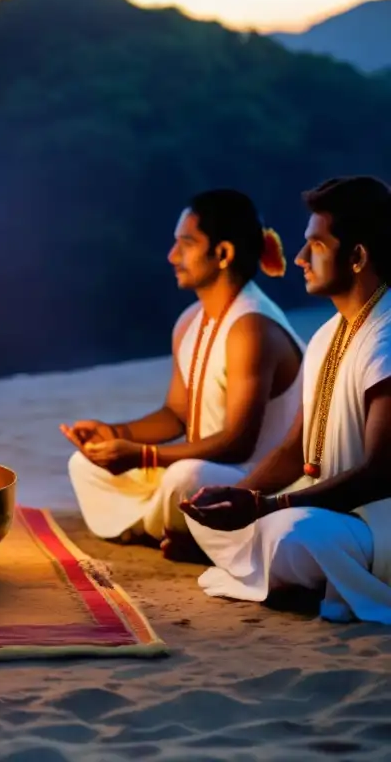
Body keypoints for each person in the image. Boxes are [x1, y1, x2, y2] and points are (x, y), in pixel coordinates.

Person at [181, 176, 391, 624]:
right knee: (247, 522)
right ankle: (291, 570)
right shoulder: (326, 336)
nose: (298, 258)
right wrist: (235, 496)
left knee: (295, 534)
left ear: (356, 257)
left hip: (375, 522)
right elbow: (296, 451)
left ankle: (305, 574)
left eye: (314, 245)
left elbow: (379, 474)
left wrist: (265, 506)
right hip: (327, 511)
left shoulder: (386, 338)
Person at [62, 190, 303, 559]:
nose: (172, 256)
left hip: (249, 482)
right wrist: (113, 435)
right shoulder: (190, 320)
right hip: (200, 468)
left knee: (184, 479)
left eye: (186, 244)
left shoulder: (252, 327)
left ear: (222, 254)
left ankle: (186, 531)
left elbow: (239, 444)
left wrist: (142, 456)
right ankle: (177, 529)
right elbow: (176, 414)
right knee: (84, 464)